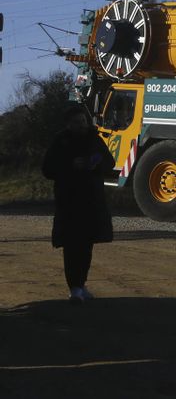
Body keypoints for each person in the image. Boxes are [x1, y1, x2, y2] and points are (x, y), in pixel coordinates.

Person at [41, 104, 114, 304]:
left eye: (83, 121)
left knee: (86, 246)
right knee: (72, 246)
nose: (81, 125)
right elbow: (47, 169)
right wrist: (70, 165)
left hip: (91, 201)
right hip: (69, 202)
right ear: (68, 124)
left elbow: (110, 163)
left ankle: (80, 285)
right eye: (76, 122)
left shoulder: (94, 139)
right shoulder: (60, 142)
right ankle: (74, 287)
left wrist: (96, 164)